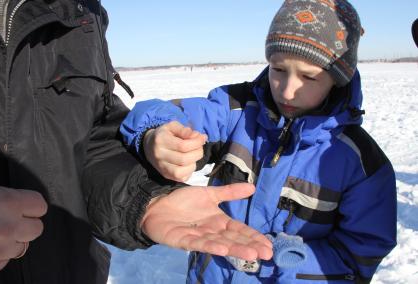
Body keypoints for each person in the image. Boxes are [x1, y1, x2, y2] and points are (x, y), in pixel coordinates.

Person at [0, 1, 274, 283]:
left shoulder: (80, 8)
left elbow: (89, 140)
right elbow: (181, 112)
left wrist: (145, 198)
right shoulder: (240, 104)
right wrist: (155, 131)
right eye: (280, 70)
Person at [121, 0, 398, 282]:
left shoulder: (361, 163)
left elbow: (359, 255)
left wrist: (283, 259)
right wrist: (156, 133)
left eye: (309, 77)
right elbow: (170, 114)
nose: (288, 91)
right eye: (278, 69)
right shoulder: (237, 110)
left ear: (338, 79)